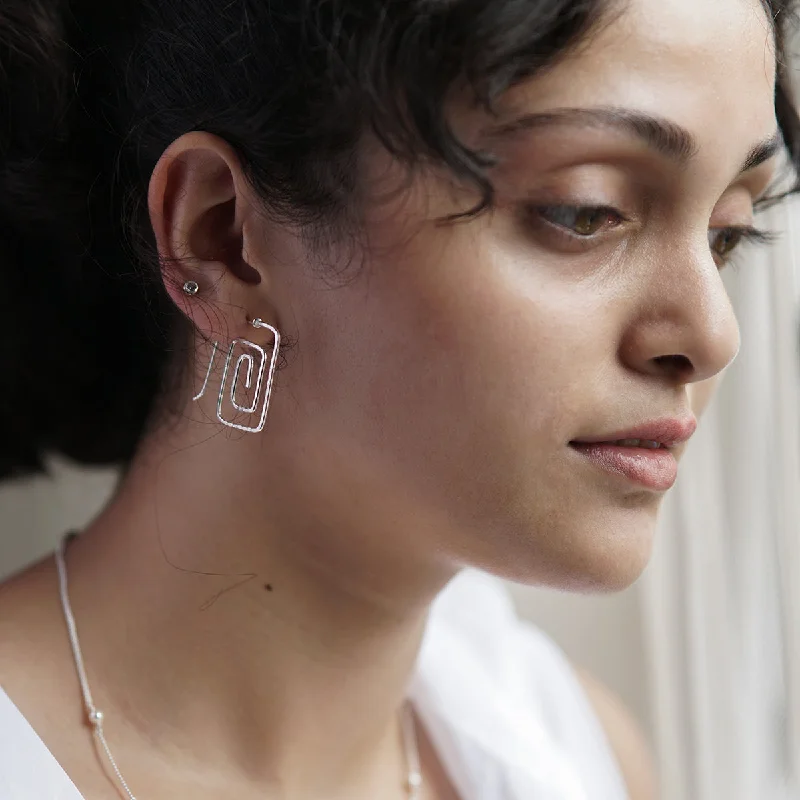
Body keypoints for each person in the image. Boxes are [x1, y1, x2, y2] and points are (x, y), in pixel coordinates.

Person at [0, 0, 797, 797]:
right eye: (584, 210)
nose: (712, 333)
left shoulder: (575, 754)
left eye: (728, 231)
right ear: (223, 238)